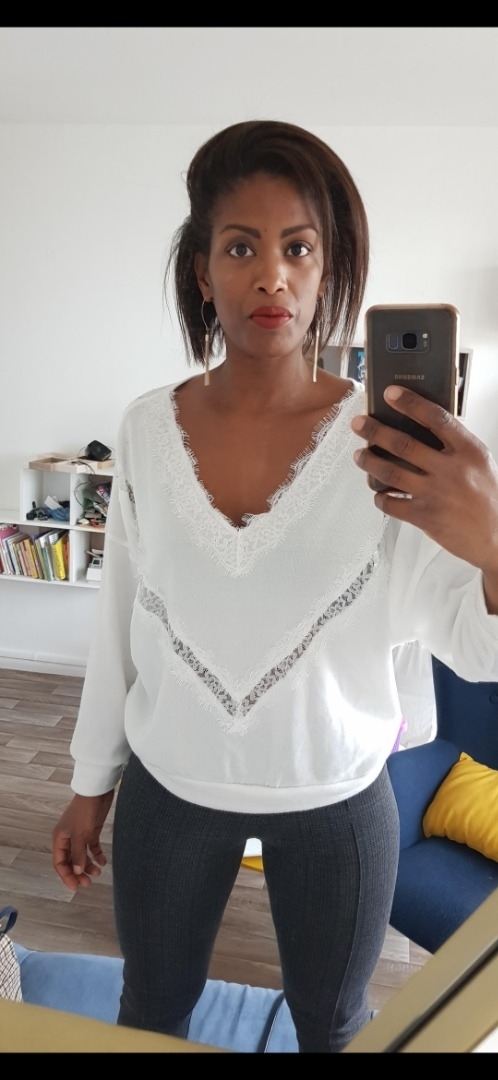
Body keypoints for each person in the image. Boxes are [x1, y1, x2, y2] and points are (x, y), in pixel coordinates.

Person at [52, 120, 498, 1053]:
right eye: (240, 248)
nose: (272, 277)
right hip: (169, 791)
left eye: (298, 248)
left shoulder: (392, 451)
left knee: (333, 1027)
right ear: (201, 270)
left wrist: (491, 539)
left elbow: (476, 647)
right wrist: (92, 785)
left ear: (328, 272)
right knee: (150, 1011)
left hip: (337, 800)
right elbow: (121, 620)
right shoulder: (144, 431)